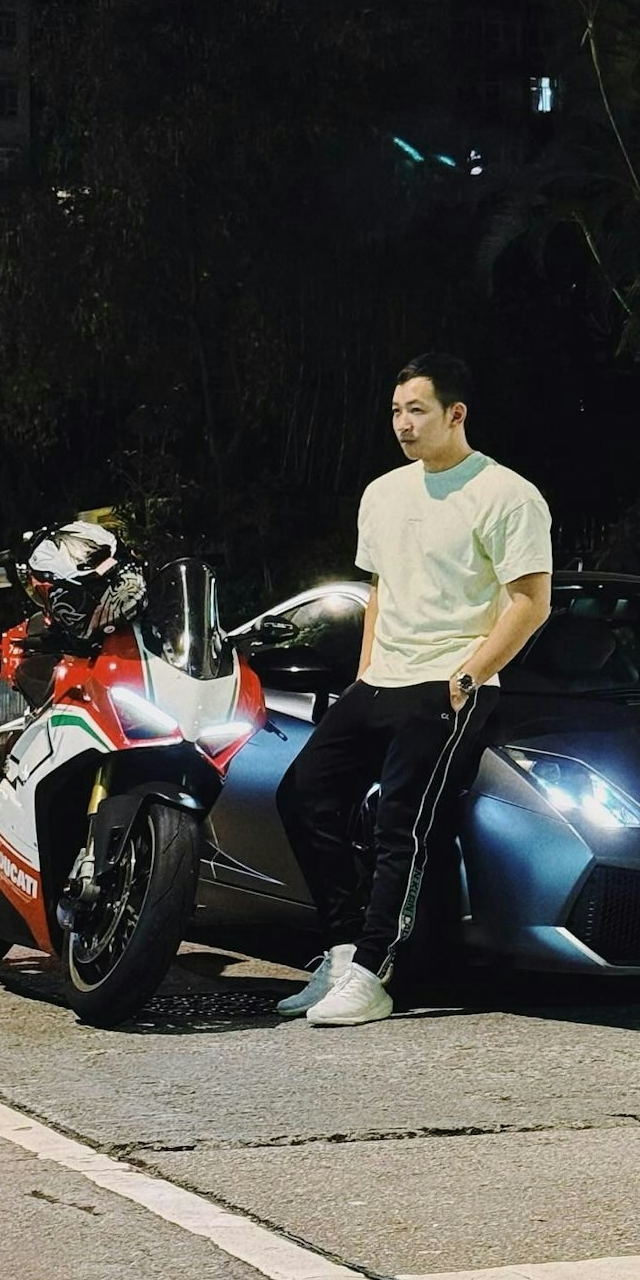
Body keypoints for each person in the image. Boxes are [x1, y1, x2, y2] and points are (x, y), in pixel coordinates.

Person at [275, 353, 552, 1026]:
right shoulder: (382, 493)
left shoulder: (507, 494)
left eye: (417, 410)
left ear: (456, 414)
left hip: (449, 683)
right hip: (381, 680)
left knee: (403, 822)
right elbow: (381, 590)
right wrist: (365, 673)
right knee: (302, 794)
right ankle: (343, 953)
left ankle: (375, 973)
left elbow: (531, 602)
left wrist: (468, 676)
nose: (402, 423)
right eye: (397, 411)